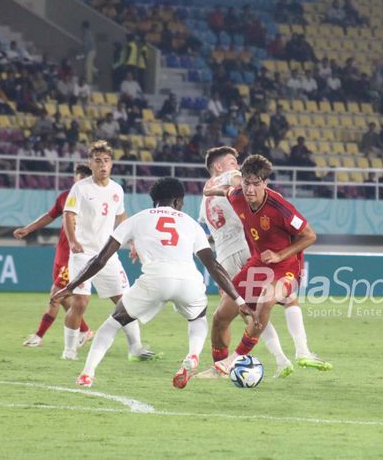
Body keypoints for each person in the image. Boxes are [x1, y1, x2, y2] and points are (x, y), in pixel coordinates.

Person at [54, 177, 245, 389]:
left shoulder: (136, 220)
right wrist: (238, 298)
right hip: (187, 280)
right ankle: (192, 354)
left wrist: (71, 286)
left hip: (154, 280)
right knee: (198, 317)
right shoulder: (191, 224)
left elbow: (100, 259)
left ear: (154, 200)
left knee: (113, 323)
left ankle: (87, 374)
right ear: (176, 201)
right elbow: (213, 265)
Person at [198, 155, 332, 377]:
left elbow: (309, 236)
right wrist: (209, 191)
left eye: (256, 183)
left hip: (286, 267)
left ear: (265, 183)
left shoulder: (280, 207)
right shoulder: (238, 196)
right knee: (221, 316)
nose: (250, 189)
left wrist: (280, 255)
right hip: (257, 263)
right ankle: (220, 368)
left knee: (266, 301)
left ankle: (236, 358)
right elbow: (226, 191)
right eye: (246, 183)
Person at [199, 147, 294, 377]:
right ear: (219, 167)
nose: (238, 165)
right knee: (259, 308)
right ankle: (284, 357)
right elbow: (239, 179)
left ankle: (223, 365)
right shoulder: (229, 177)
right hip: (245, 249)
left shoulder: (204, 200)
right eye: (233, 161)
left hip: (226, 256)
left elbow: (214, 228)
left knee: (239, 312)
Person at [61, 141, 154, 361]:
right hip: (83, 254)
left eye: (106, 161)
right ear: (90, 164)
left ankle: (136, 348)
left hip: (106, 255)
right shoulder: (81, 188)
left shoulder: (116, 189)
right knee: (81, 302)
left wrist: (132, 243)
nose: (103, 165)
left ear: (111, 164)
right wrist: (73, 240)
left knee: (125, 301)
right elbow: (68, 214)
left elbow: (121, 218)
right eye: (98, 161)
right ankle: (69, 350)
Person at [16, 164, 94, 347]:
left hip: (75, 256)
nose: (80, 181)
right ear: (75, 179)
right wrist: (28, 229)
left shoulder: (94, 200)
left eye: (85, 178)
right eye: (78, 177)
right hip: (61, 254)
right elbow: (49, 216)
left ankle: (39, 336)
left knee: (55, 295)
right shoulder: (66, 197)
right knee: (65, 297)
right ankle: (85, 331)